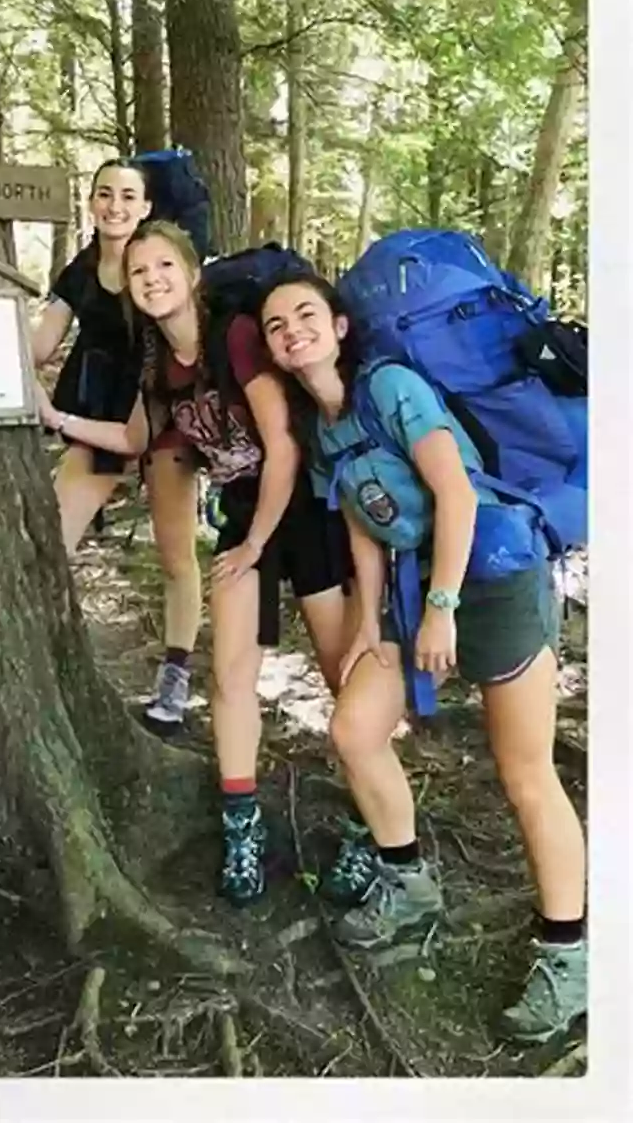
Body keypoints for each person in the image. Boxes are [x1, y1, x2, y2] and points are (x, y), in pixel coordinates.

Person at [257, 271, 587, 1043]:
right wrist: (371, 624)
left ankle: (570, 955)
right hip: (410, 591)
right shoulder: (320, 428)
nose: (292, 331)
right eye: (276, 326)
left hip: (494, 572)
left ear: (339, 326)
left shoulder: (393, 385)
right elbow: (365, 523)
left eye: (306, 314)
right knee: (353, 729)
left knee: (526, 771)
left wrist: (441, 609)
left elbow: (457, 495)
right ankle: (407, 880)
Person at [39, 221, 356, 906]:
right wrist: (56, 418)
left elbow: (283, 446)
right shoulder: (156, 362)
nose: (153, 279)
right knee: (230, 673)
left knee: (342, 671)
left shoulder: (235, 337)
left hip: (304, 511)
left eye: (164, 266)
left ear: (190, 271)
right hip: (246, 517)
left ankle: (369, 821)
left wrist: (253, 545)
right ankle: (240, 821)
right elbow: (132, 437)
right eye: (141, 271)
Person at [33, 159, 202, 733]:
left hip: (163, 414)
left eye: (128, 196)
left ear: (147, 205)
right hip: (96, 413)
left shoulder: (155, 265)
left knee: (177, 554)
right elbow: (39, 343)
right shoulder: (80, 270)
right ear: (91, 202)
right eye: (104, 194)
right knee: (50, 544)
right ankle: (52, 665)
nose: (115, 205)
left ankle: (175, 680)